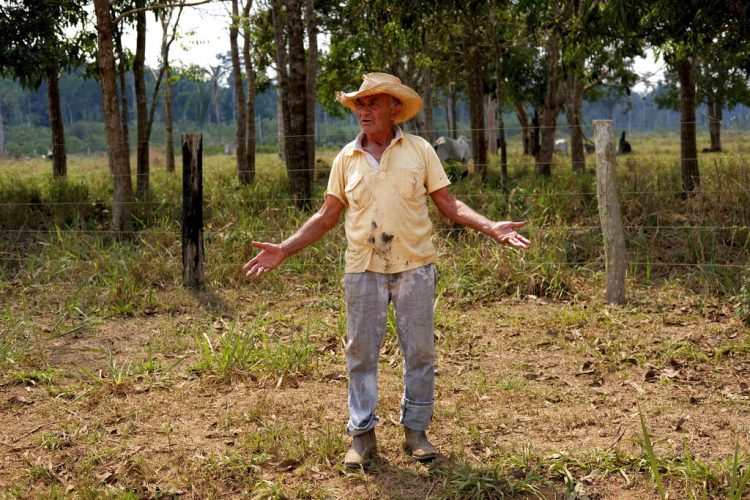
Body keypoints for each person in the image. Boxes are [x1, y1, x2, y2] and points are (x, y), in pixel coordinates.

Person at [243, 72, 530, 468]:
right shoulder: (347, 158)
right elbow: (327, 215)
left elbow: (449, 204)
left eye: (372, 103)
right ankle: (362, 436)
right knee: (360, 353)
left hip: (415, 267)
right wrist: (284, 249)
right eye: (359, 104)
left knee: (420, 352)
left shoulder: (420, 150)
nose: (363, 110)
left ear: (394, 109)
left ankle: (416, 432)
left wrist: (490, 226)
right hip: (363, 268)